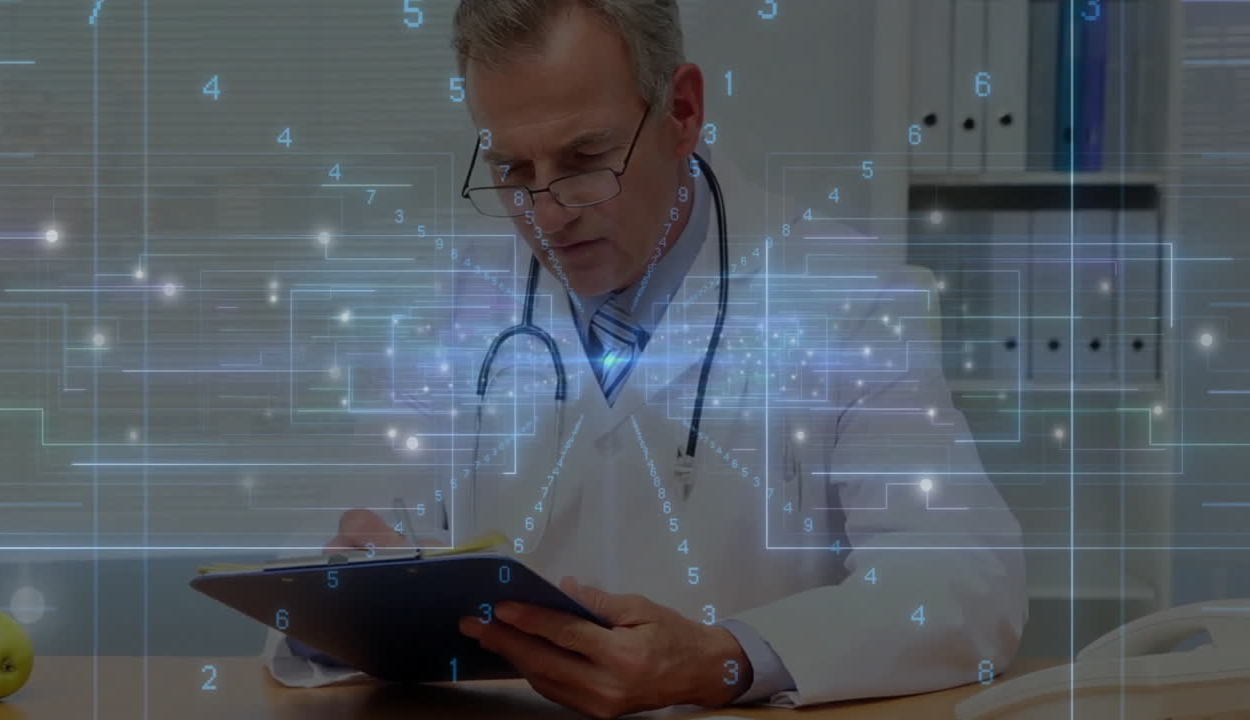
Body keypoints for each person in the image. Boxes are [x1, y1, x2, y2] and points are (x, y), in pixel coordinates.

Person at [263, 1, 1028, 716]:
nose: (548, 214)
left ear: (682, 112)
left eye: (585, 158)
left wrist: (725, 659)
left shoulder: (845, 296)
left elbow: (963, 580)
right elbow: (325, 556)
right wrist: (348, 600)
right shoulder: (454, 297)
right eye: (513, 171)